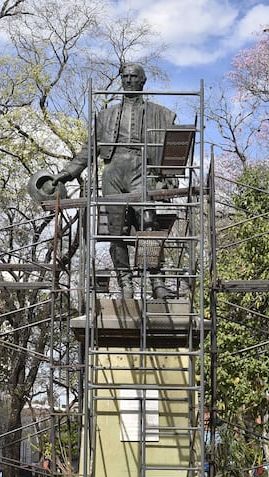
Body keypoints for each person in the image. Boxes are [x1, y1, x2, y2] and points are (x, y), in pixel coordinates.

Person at [53, 62, 176, 299]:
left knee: (148, 225)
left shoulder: (159, 114)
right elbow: (89, 150)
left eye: (134, 77)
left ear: (143, 81)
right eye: (126, 76)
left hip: (142, 167)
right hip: (113, 171)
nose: (129, 80)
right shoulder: (106, 116)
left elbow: (171, 147)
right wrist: (68, 172)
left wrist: (169, 175)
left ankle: (157, 282)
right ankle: (125, 284)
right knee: (115, 231)